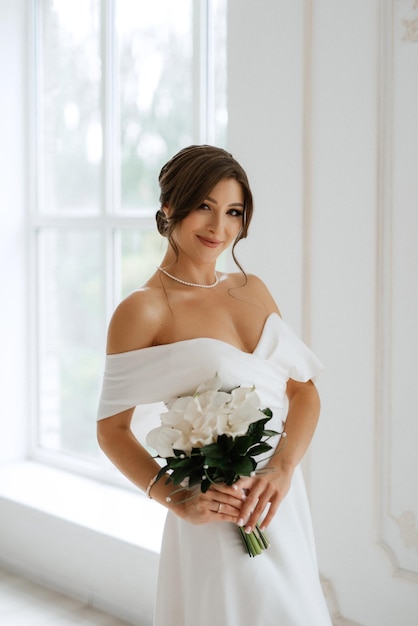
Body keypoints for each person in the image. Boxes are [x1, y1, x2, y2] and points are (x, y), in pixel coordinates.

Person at [97, 145, 332, 626]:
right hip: (216, 508)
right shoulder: (143, 309)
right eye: (204, 205)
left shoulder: (251, 287)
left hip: (277, 499)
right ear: (169, 207)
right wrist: (173, 497)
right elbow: (111, 430)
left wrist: (283, 469)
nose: (218, 227)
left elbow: (303, 391)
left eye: (233, 212)